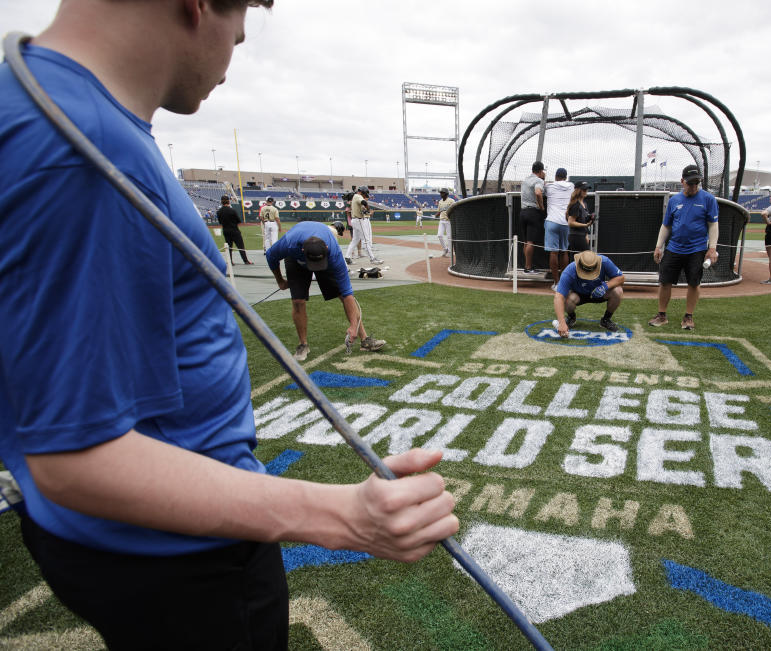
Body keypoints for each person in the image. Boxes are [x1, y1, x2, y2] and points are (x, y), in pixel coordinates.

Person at [0, 3, 458, 649]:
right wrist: (341, 514)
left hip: (125, 540)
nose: (236, 45)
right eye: (238, 24)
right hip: (177, 553)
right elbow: (77, 456)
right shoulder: (81, 149)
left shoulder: (46, 105)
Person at [266, 221, 386, 361]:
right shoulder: (289, 244)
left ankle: (364, 339)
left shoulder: (334, 253)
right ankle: (303, 344)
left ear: (327, 248)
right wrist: (280, 281)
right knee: (298, 301)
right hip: (296, 261)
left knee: (342, 295)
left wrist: (353, 326)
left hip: (327, 260)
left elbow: (347, 293)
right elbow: (270, 256)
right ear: (303, 250)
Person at [648, 165, 719, 330]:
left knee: (694, 283)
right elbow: (666, 226)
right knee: (665, 282)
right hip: (674, 248)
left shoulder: (708, 199)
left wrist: (712, 247)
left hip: (697, 249)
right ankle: (662, 315)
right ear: (682, 182)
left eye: (696, 183)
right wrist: (659, 246)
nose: (694, 186)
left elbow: (713, 224)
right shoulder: (674, 201)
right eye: (690, 183)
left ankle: (688, 317)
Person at [554, 250, 624, 335]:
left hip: (600, 293)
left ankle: (606, 320)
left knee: (618, 291)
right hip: (578, 295)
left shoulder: (605, 261)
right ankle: (571, 318)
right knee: (568, 298)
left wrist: (605, 286)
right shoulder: (569, 271)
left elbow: (621, 278)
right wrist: (561, 323)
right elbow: (558, 297)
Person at [544, 167, 575, 290]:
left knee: (553, 252)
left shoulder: (549, 186)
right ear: (565, 177)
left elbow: (542, 190)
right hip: (566, 222)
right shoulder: (571, 186)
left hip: (552, 221)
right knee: (564, 251)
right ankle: (564, 283)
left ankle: (557, 284)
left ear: (556, 176)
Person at [519, 161, 546, 273]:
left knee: (526, 241)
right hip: (532, 213)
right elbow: (538, 193)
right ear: (540, 171)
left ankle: (527, 266)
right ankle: (528, 268)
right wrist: (542, 207)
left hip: (523, 212)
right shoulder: (538, 180)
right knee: (530, 241)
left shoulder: (525, 180)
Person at [345, 186, 382, 264]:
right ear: (362, 192)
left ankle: (347, 257)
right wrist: (368, 209)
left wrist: (366, 211)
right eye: (365, 195)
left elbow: (361, 207)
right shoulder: (358, 196)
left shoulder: (355, 197)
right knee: (366, 240)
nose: (365, 197)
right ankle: (372, 259)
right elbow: (364, 202)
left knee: (355, 240)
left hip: (354, 220)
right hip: (359, 221)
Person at [217, 194, 253, 265]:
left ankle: (230, 262)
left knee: (229, 247)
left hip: (226, 231)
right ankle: (245, 261)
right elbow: (239, 220)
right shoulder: (232, 210)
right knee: (240, 246)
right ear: (228, 201)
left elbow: (220, 222)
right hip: (234, 230)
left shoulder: (219, 211)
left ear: (221, 202)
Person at [566, 181, 593, 254]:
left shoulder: (584, 204)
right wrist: (585, 225)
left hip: (582, 235)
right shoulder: (576, 204)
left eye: (587, 189)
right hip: (576, 236)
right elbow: (571, 222)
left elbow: (584, 220)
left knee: (583, 259)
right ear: (578, 191)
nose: (586, 191)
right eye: (584, 190)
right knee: (583, 259)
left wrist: (586, 234)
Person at [436, 188, 455, 257]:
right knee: (439, 235)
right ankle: (445, 249)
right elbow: (439, 211)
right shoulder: (440, 202)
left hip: (449, 221)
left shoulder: (451, 201)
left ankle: (450, 252)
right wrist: (435, 215)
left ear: (446, 194)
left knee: (449, 237)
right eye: (440, 193)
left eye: (442, 193)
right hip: (442, 220)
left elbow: (454, 209)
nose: (441, 194)